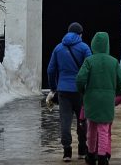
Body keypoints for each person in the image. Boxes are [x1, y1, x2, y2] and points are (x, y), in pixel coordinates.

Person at [76, 31, 121, 165]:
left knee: (91, 128)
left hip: (91, 99)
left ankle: (91, 155)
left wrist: (83, 91)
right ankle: (102, 157)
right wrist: (115, 93)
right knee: (103, 129)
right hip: (107, 100)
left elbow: (80, 79)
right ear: (107, 45)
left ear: (93, 45)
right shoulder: (114, 62)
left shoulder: (89, 61)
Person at [47, 21, 92, 162]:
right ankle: (82, 149)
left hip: (63, 91)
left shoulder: (58, 48)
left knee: (65, 121)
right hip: (80, 91)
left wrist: (54, 87)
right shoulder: (84, 48)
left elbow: (50, 70)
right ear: (80, 34)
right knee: (82, 120)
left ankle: (67, 151)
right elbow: (90, 68)